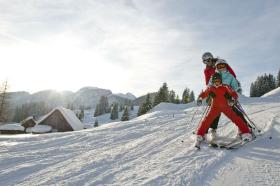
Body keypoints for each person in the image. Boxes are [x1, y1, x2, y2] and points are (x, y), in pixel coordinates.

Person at [195, 73, 252, 148]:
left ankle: (246, 133)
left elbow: (234, 94)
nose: (217, 82)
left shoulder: (225, 86)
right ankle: (200, 135)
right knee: (207, 120)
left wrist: (232, 99)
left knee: (236, 119)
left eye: (218, 80)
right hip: (214, 108)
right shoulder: (211, 88)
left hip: (226, 107)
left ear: (221, 80)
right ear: (213, 81)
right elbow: (204, 93)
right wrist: (200, 98)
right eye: (215, 81)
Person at [201, 52, 237, 141]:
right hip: (215, 91)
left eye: (208, 60)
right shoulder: (206, 70)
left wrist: (229, 89)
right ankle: (208, 131)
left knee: (234, 108)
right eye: (205, 62)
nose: (207, 62)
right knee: (214, 111)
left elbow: (232, 75)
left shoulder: (220, 64)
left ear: (211, 58)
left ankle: (245, 129)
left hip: (226, 89)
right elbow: (207, 83)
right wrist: (210, 92)